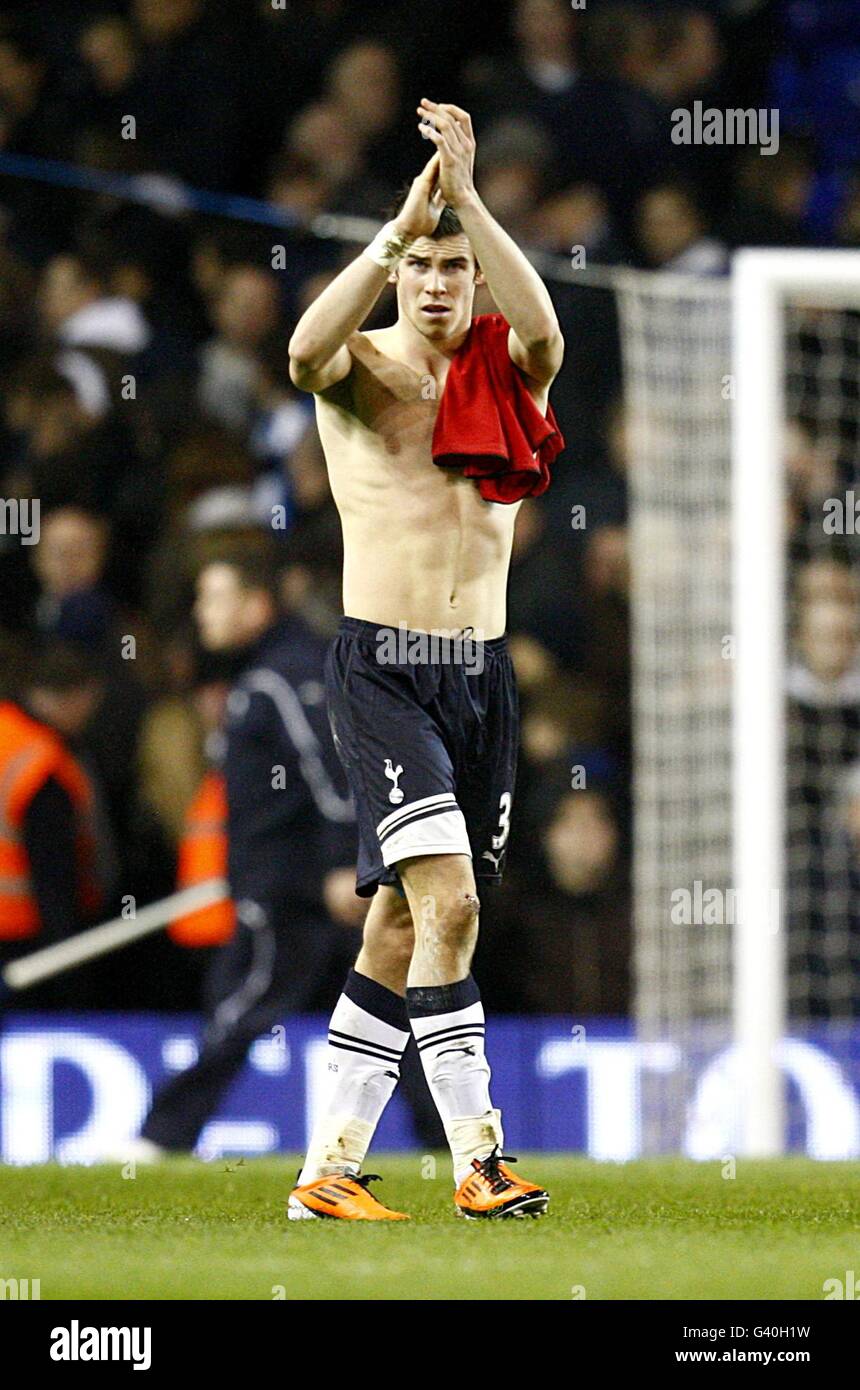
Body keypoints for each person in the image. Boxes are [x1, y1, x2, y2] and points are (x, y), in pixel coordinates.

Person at [287, 99, 564, 1220]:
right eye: (425, 268)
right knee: (446, 904)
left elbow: (546, 331)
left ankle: (327, 1173)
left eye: (457, 268)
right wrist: (399, 225)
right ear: (402, 274)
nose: (440, 285)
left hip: (479, 676)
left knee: (403, 923)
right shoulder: (360, 372)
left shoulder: (507, 367)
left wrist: (472, 200)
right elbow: (301, 349)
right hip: (386, 667)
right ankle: (478, 1157)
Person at [131, 543, 363, 1156]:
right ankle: (446, 1141)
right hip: (298, 882)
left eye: (215, 597)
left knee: (240, 1010)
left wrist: (345, 865)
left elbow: (334, 774)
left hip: (294, 886)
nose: (202, 612)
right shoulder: (277, 673)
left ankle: (161, 1136)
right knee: (385, 1006)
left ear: (255, 605)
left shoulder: (283, 677)